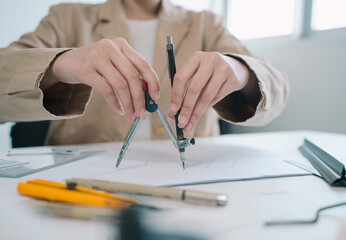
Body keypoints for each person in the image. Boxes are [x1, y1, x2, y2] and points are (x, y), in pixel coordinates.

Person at [0, 0, 289, 145]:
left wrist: (241, 71)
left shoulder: (206, 24)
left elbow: (278, 90)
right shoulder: (67, 19)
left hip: (192, 190)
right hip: (87, 197)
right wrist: (62, 63)